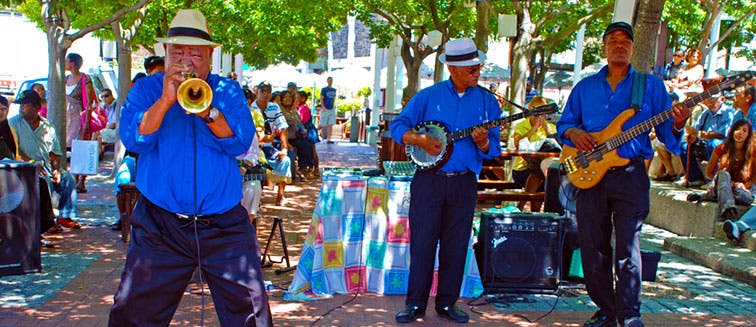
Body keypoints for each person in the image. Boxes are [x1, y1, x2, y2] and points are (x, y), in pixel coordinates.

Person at [109, 9, 272, 326]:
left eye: (195, 54)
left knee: (251, 308)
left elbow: (240, 143)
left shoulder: (227, 91)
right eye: (177, 52)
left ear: (210, 55)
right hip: (160, 223)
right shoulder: (145, 90)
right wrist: (166, 100)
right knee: (132, 310)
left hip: (224, 223)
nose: (186, 61)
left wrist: (209, 113)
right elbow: (135, 139)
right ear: (165, 53)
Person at [557, 22, 690, 327]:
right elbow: (563, 126)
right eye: (613, 41)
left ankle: (630, 314)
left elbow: (669, 137)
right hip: (591, 176)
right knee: (593, 247)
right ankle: (606, 309)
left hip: (630, 176)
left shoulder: (651, 86)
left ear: (631, 48)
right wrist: (576, 134)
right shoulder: (584, 88)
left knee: (628, 247)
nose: (619, 45)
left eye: (625, 42)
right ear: (603, 47)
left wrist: (680, 124)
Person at [391, 37, 501, 324]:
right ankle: (415, 304)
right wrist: (420, 139)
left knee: (456, 244)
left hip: (464, 182)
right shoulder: (428, 97)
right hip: (429, 181)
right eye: (471, 69)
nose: (478, 73)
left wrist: (484, 144)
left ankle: (447, 303)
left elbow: (496, 150)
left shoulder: (489, 102)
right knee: (423, 244)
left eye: (478, 68)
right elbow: (397, 126)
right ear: (452, 68)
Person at [9, 90, 80, 230]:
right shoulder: (13, 124)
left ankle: (65, 216)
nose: (21, 108)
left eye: (25, 105)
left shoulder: (47, 126)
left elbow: (55, 152)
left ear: (36, 107)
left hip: (45, 167)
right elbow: (15, 149)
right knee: (43, 182)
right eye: (20, 105)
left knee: (68, 179)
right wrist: (32, 163)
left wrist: (56, 169)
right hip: (25, 168)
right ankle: (47, 222)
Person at [687, 119, 755, 220]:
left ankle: (707, 196)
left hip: (741, 191)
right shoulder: (722, 148)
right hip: (722, 183)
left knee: (743, 196)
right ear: (732, 131)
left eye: (744, 131)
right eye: (737, 129)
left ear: (748, 135)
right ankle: (728, 211)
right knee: (724, 174)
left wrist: (743, 185)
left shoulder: (753, 151)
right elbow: (708, 173)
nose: (740, 133)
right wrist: (727, 182)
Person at [511, 95, 560, 211]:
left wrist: (546, 128)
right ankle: (523, 208)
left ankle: (529, 211)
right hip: (522, 169)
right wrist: (534, 128)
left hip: (545, 170)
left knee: (543, 175)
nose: (540, 115)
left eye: (543, 111)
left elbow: (556, 145)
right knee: (537, 174)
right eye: (537, 110)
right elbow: (518, 144)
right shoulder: (521, 125)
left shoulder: (551, 127)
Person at [680, 92, 738, 187]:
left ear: (722, 99)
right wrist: (693, 135)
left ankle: (713, 180)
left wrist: (702, 134)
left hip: (722, 142)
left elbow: (723, 134)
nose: (709, 102)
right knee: (684, 146)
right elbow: (696, 129)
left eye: (713, 99)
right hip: (705, 140)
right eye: (707, 99)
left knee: (714, 144)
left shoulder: (728, 112)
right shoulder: (706, 113)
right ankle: (695, 178)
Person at [253, 81, 293, 206]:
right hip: (254, 147)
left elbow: (282, 128)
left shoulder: (274, 107)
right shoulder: (251, 108)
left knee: (285, 160)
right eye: (262, 91)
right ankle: (257, 195)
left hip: (269, 147)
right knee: (256, 164)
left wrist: (284, 148)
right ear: (257, 92)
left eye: (268, 91)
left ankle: (280, 195)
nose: (265, 94)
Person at [65, 52, 98, 193]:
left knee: (81, 148)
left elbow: (89, 102)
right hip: (67, 118)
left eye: (66, 61)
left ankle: (81, 181)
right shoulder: (66, 79)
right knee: (70, 149)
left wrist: (86, 122)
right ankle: (73, 178)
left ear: (72, 63)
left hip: (79, 118)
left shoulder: (85, 79)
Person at [97, 88, 118, 153]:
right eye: (102, 97)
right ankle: (97, 154)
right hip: (109, 130)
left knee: (97, 135)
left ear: (111, 96)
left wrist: (101, 130)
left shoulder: (116, 105)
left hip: (116, 131)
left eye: (106, 96)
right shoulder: (105, 107)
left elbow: (114, 124)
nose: (104, 98)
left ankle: (97, 155)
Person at [319, 76, 337, 144]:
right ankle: (315, 132)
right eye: (329, 80)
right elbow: (321, 98)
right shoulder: (324, 89)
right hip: (325, 108)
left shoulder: (334, 90)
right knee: (322, 123)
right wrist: (323, 107)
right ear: (327, 81)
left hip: (331, 108)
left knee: (330, 124)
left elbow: (334, 98)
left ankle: (329, 138)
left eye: (331, 80)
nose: (330, 81)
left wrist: (333, 106)